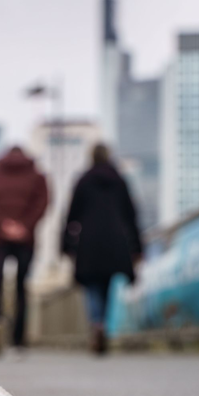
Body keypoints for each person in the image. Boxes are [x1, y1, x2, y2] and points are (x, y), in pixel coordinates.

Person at [61, 143, 142, 355]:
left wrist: (66, 245)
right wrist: (137, 248)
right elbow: (131, 216)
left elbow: (71, 216)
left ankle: (96, 324)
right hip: (115, 243)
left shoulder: (83, 181)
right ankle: (103, 324)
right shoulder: (120, 181)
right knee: (106, 286)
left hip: (88, 243)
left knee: (92, 287)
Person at [0, 146, 49, 357]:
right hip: (26, 239)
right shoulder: (38, 177)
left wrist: (2, 225)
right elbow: (42, 203)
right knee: (21, 289)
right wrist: (24, 226)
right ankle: (19, 340)